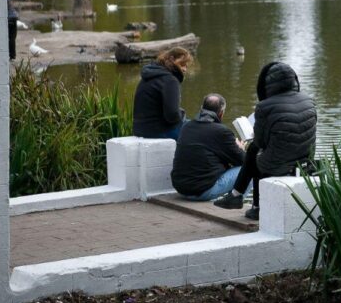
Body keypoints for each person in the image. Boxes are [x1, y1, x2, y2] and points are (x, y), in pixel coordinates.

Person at [214, 62, 317, 220]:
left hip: (280, 164)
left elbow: (261, 142)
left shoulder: (264, 106)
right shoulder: (309, 101)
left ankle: (250, 203)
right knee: (258, 152)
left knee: (255, 153)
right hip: (305, 162)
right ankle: (239, 197)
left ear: (268, 85)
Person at [171, 93, 251, 200]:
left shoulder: (187, 126)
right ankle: (235, 203)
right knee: (251, 168)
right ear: (221, 113)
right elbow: (243, 161)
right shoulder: (222, 131)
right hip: (201, 191)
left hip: (181, 188)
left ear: (201, 109)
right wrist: (241, 148)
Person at [132, 47, 193, 140]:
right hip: (158, 132)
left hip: (139, 130)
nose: (184, 69)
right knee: (198, 130)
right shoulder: (170, 80)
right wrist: (181, 114)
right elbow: (172, 116)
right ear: (172, 59)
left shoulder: (149, 75)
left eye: (186, 66)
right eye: (182, 64)